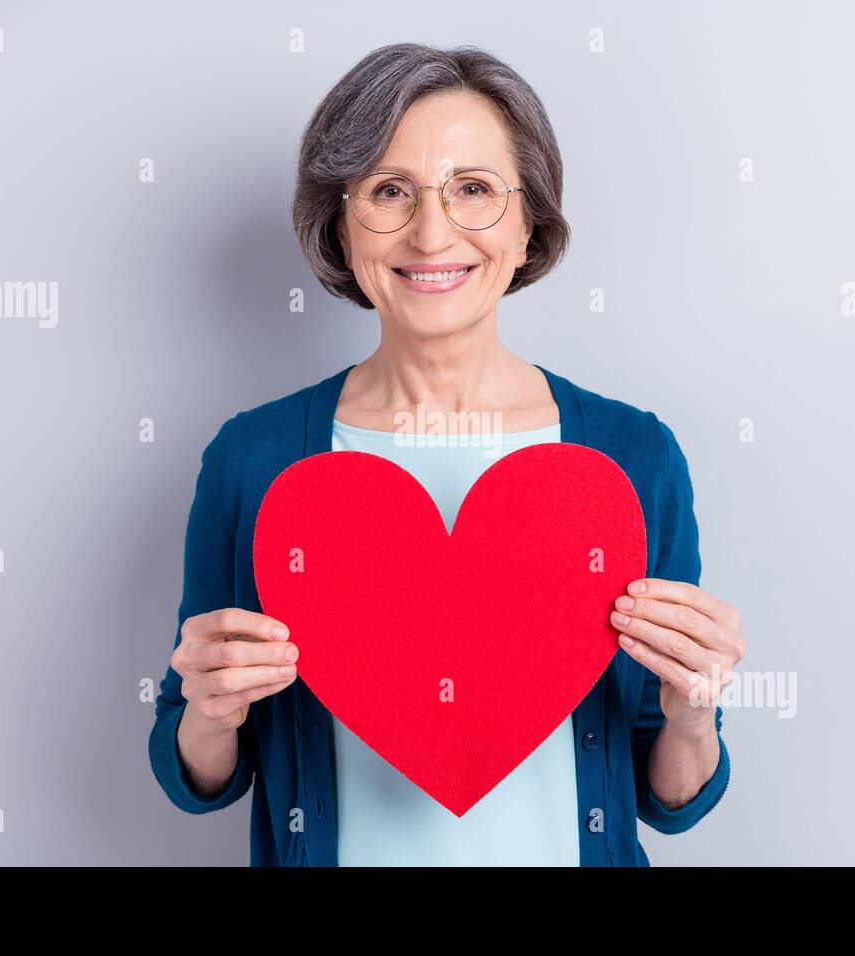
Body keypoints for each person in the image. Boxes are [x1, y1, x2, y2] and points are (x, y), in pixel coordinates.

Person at [148, 42, 745, 866]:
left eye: (474, 190)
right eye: (391, 191)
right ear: (340, 220)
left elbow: (667, 801)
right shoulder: (255, 459)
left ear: (528, 220)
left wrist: (692, 713)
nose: (433, 233)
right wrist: (210, 713)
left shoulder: (631, 457)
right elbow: (197, 778)